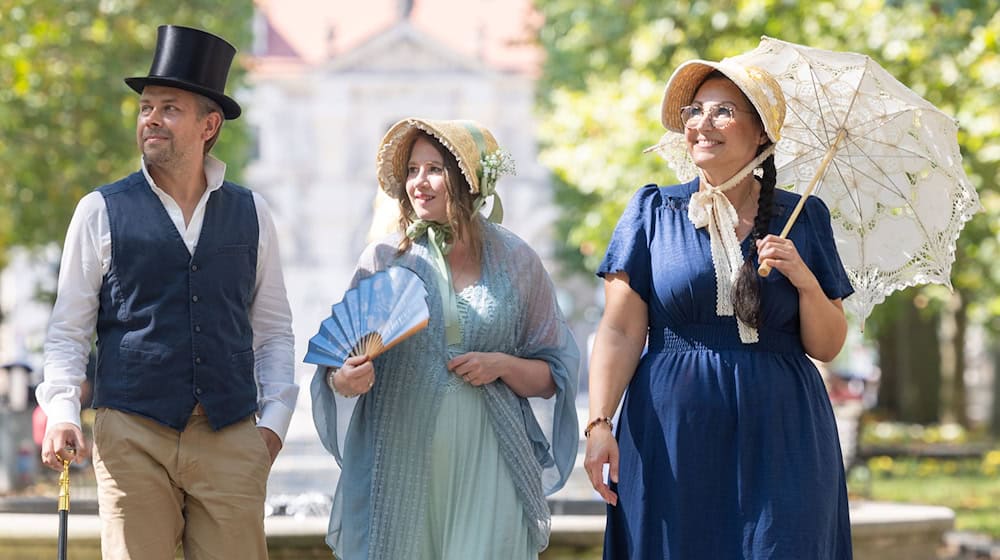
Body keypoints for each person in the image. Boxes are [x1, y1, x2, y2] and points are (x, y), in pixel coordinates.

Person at [36, 25, 297, 559]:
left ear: (209, 125)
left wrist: (270, 429)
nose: (151, 118)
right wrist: (62, 409)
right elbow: (68, 330)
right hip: (132, 430)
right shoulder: (100, 210)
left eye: (169, 108)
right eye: (146, 107)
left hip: (230, 434)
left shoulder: (252, 213)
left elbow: (274, 332)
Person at [583, 58, 855, 559]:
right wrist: (599, 424)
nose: (701, 124)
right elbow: (619, 332)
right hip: (671, 427)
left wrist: (805, 281)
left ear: (760, 135)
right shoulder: (653, 211)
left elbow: (828, 344)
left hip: (784, 427)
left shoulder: (804, 216)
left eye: (723, 111)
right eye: (694, 111)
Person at [311, 118, 580, 559]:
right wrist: (345, 379)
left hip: (491, 459)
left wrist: (503, 365)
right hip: (401, 459)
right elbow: (336, 366)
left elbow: (554, 374)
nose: (419, 182)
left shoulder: (517, 261)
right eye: (412, 170)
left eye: (434, 168)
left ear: (469, 179)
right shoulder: (383, 259)